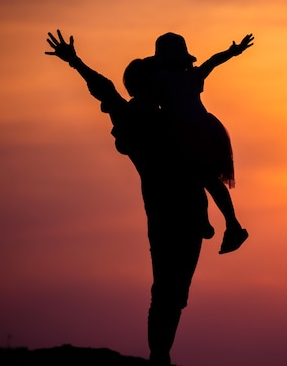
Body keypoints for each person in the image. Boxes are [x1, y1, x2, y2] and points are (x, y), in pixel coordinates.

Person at [45, 30, 215, 365]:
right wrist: (76, 62)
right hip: (176, 212)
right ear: (145, 85)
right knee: (170, 292)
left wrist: (76, 62)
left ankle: (160, 353)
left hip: (182, 212)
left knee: (172, 292)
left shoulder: (165, 113)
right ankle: (159, 355)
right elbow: (104, 88)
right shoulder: (140, 116)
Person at [150, 32, 253, 254]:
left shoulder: (159, 79)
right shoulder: (191, 76)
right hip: (206, 132)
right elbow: (211, 63)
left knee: (199, 180)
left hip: (188, 135)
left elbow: (211, 63)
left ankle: (220, 224)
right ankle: (229, 224)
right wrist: (233, 52)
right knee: (209, 181)